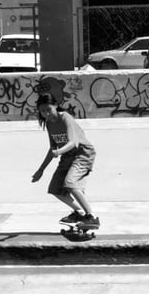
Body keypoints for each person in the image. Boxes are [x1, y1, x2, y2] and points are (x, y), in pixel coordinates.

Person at [31, 93, 100, 228]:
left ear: (55, 106)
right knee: (55, 189)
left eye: (49, 109)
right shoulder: (49, 124)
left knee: (70, 182)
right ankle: (79, 212)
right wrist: (41, 170)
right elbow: (52, 149)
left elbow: (73, 142)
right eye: (43, 111)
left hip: (83, 154)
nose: (47, 114)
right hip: (67, 156)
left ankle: (92, 217)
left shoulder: (65, 118)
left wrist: (59, 151)